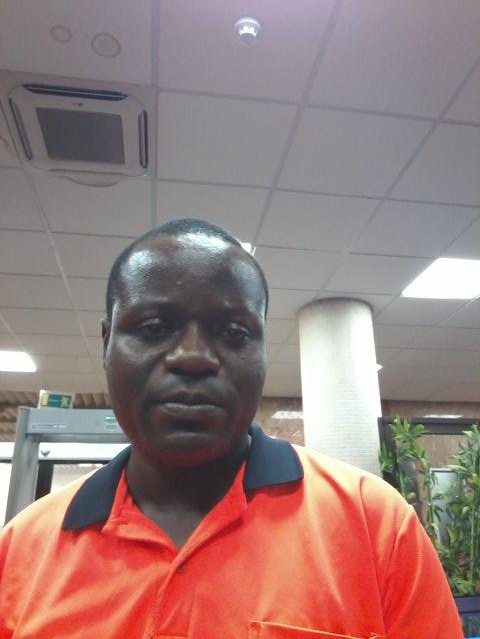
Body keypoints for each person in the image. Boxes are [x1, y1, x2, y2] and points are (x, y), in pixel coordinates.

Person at [0, 219, 463, 638]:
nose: (193, 357)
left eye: (234, 333)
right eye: (155, 327)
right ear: (107, 344)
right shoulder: (21, 551)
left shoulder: (375, 525)